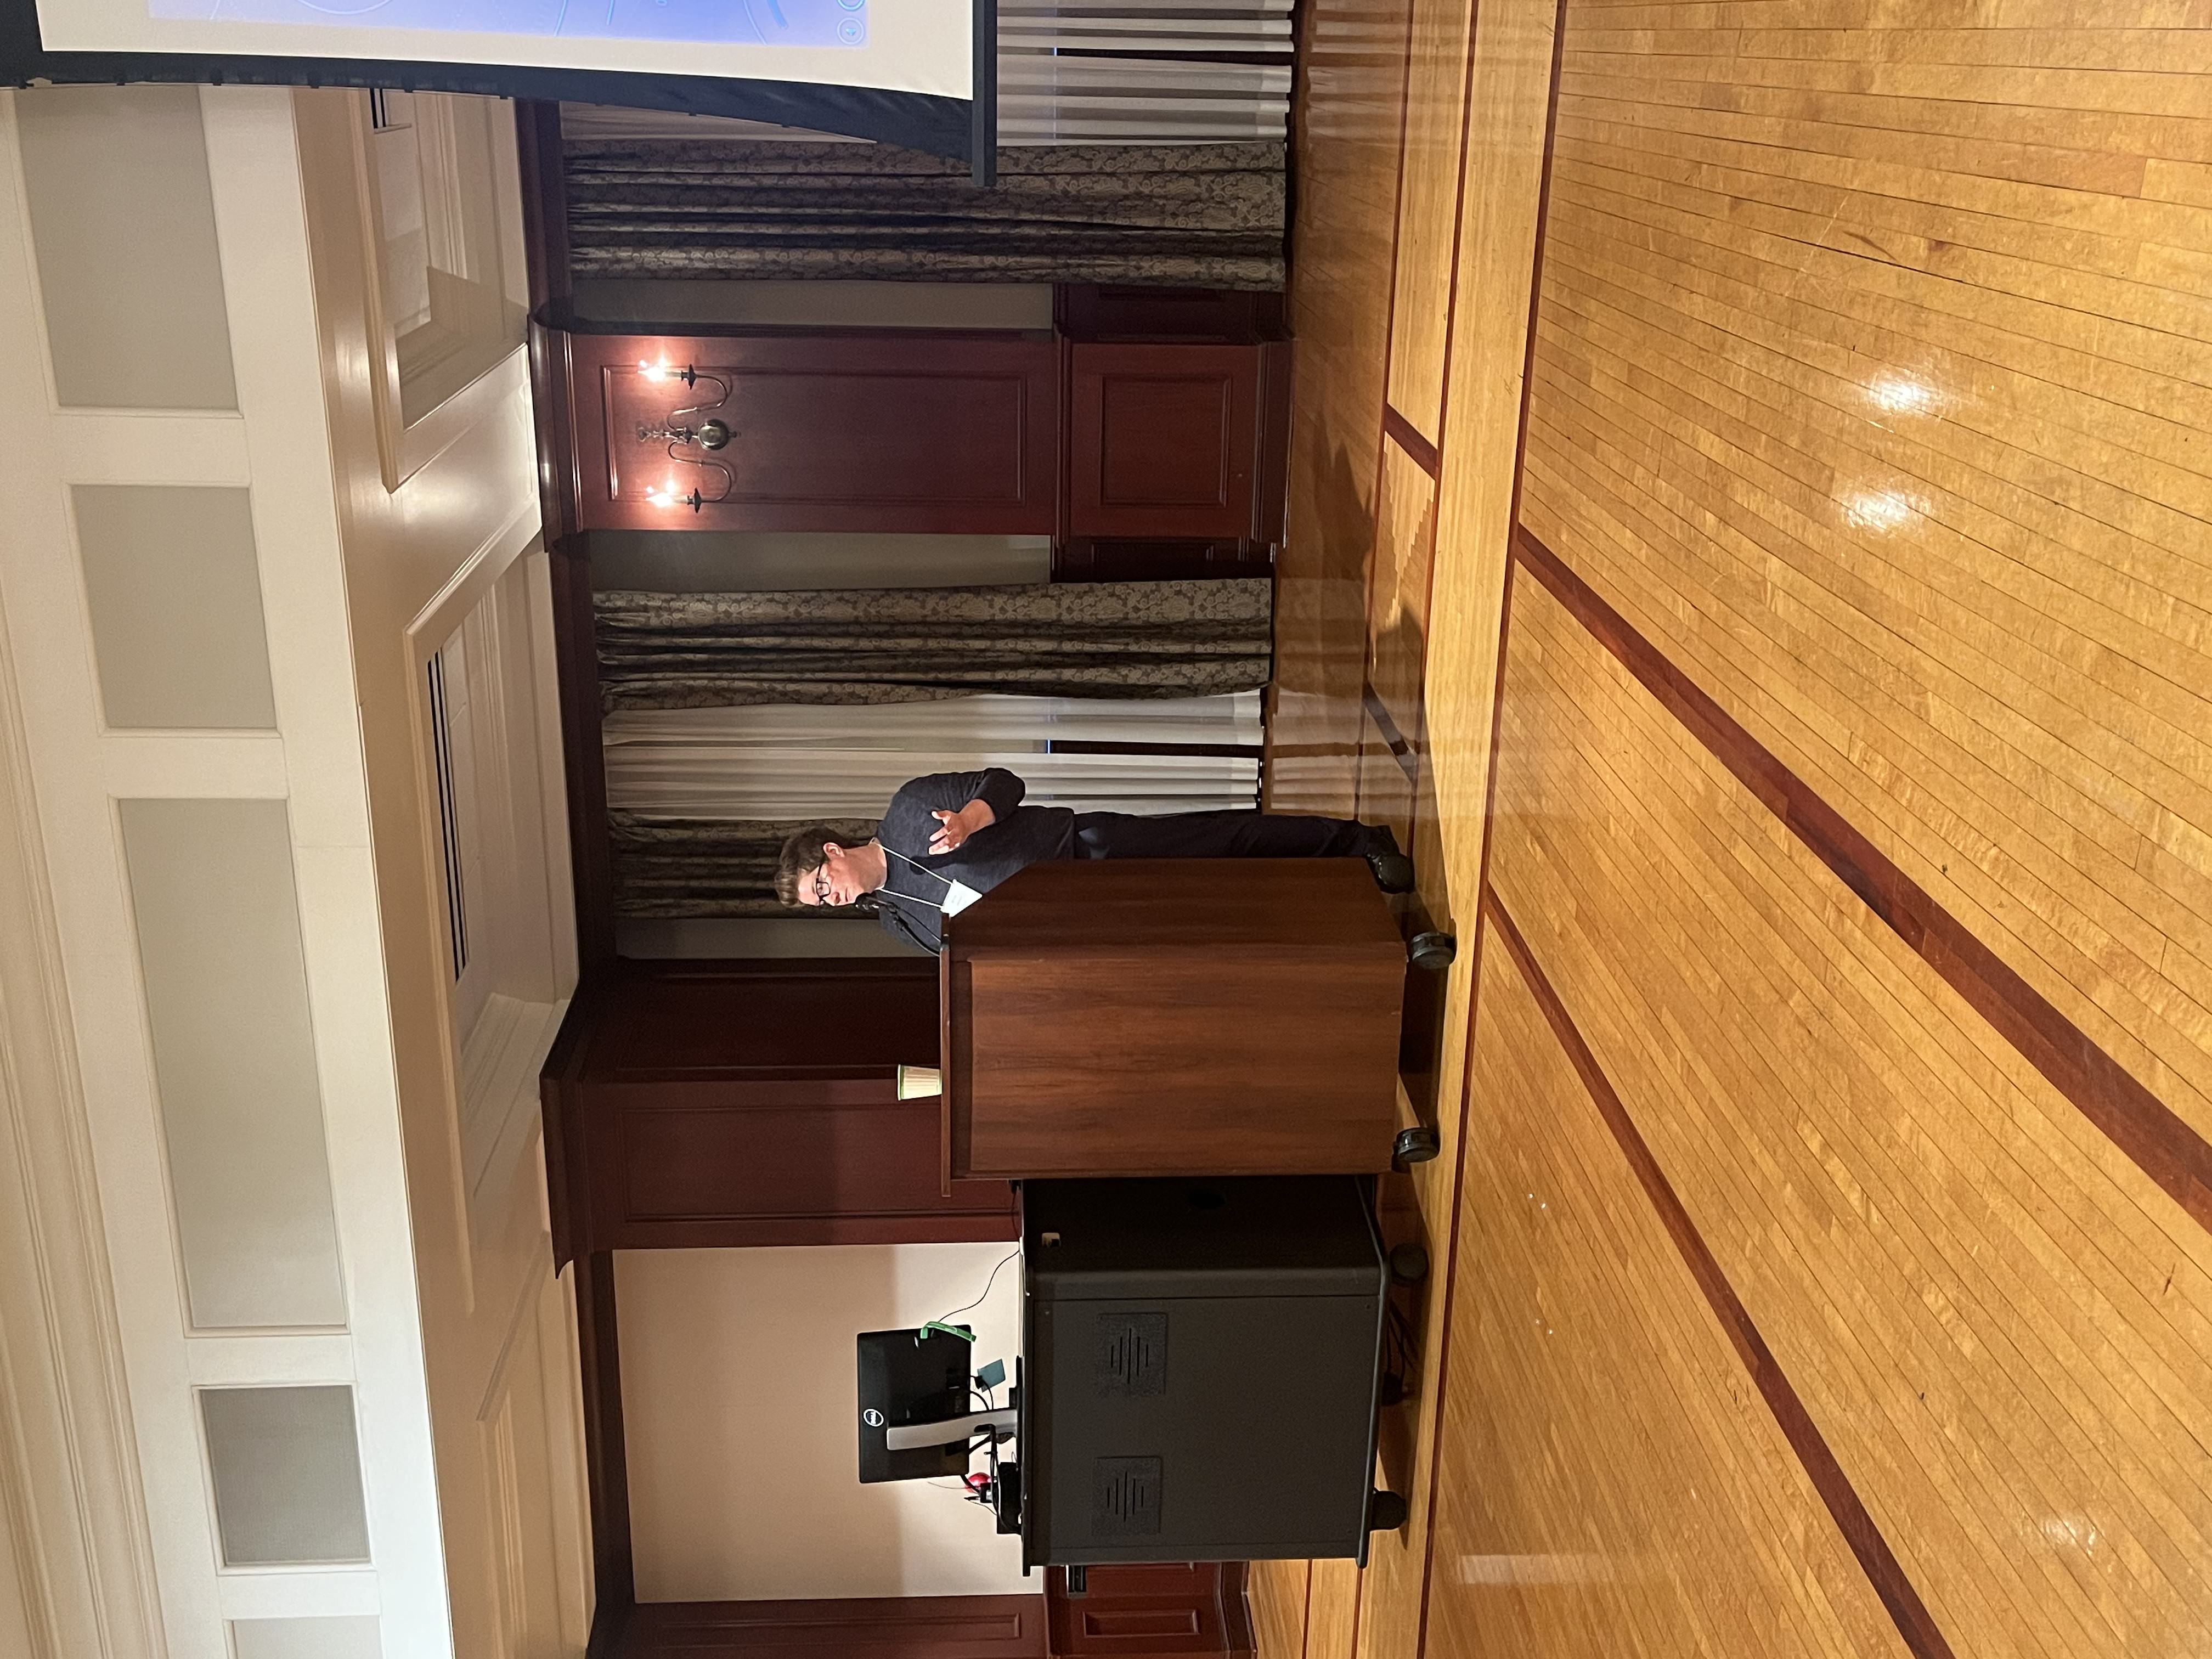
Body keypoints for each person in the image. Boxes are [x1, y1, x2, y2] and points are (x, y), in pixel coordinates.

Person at [775, 766, 1414, 953]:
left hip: (1082, 854)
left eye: (822, 884)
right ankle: (1352, 903)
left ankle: (1359, 842)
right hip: (1080, 924)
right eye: (823, 903)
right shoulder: (897, 923)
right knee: (1225, 911)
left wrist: (972, 818)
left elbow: (1005, 782)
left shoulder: (911, 806)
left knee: (1222, 843)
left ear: (833, 850)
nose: (834, 898)